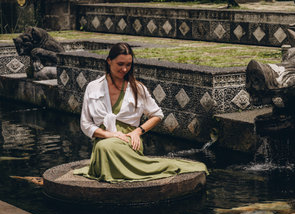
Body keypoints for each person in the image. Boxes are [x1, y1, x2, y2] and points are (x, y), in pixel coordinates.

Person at [74, 42, 208, 182]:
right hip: (104, 139)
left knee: (104, 147)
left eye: (128, 65)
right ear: (109, 61)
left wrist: (137, 132)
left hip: (130, 140)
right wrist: (109, 134)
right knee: (103, 146)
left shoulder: (138, 89)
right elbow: (85, 124)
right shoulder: (93, 87)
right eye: (120, 64)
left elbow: (157, 114)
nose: (125, 69)